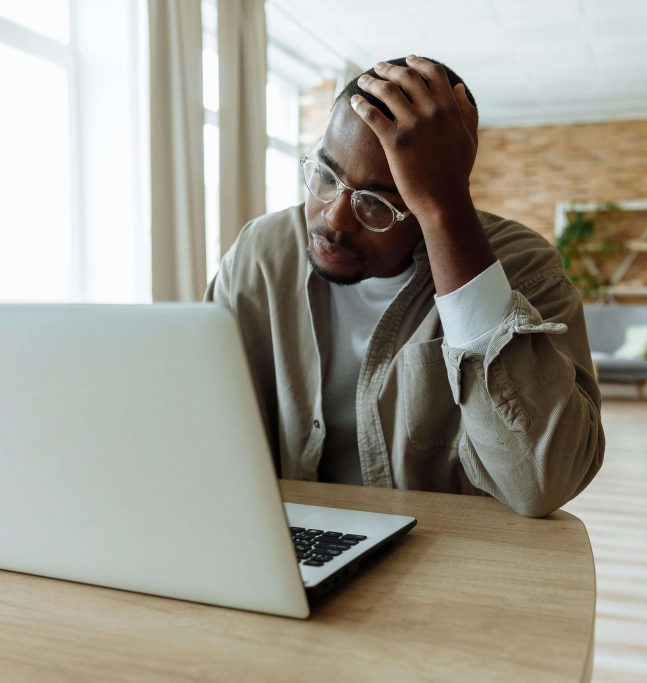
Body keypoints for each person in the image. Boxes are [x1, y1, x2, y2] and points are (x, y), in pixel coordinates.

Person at [205, 55, 604, 517]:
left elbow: (543, 483)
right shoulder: (263, 252)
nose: (334, 217)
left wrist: (447, 213)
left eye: (376, 204)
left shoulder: (522, 267)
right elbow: (198, 411)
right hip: (285, 538)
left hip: (447, 557)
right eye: (325, 175)